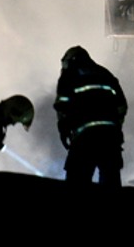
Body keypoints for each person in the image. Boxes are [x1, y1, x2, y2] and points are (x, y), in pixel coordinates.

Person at [54, 46, 127, 187]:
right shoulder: (106, 74)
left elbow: (62, 108)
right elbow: (122, 107)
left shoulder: (69, 76)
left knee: (76, 181)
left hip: (84, 138)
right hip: (110, 139)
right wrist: (115, 127)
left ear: (71, 61)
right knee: (110, 180)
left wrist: (64, 131)